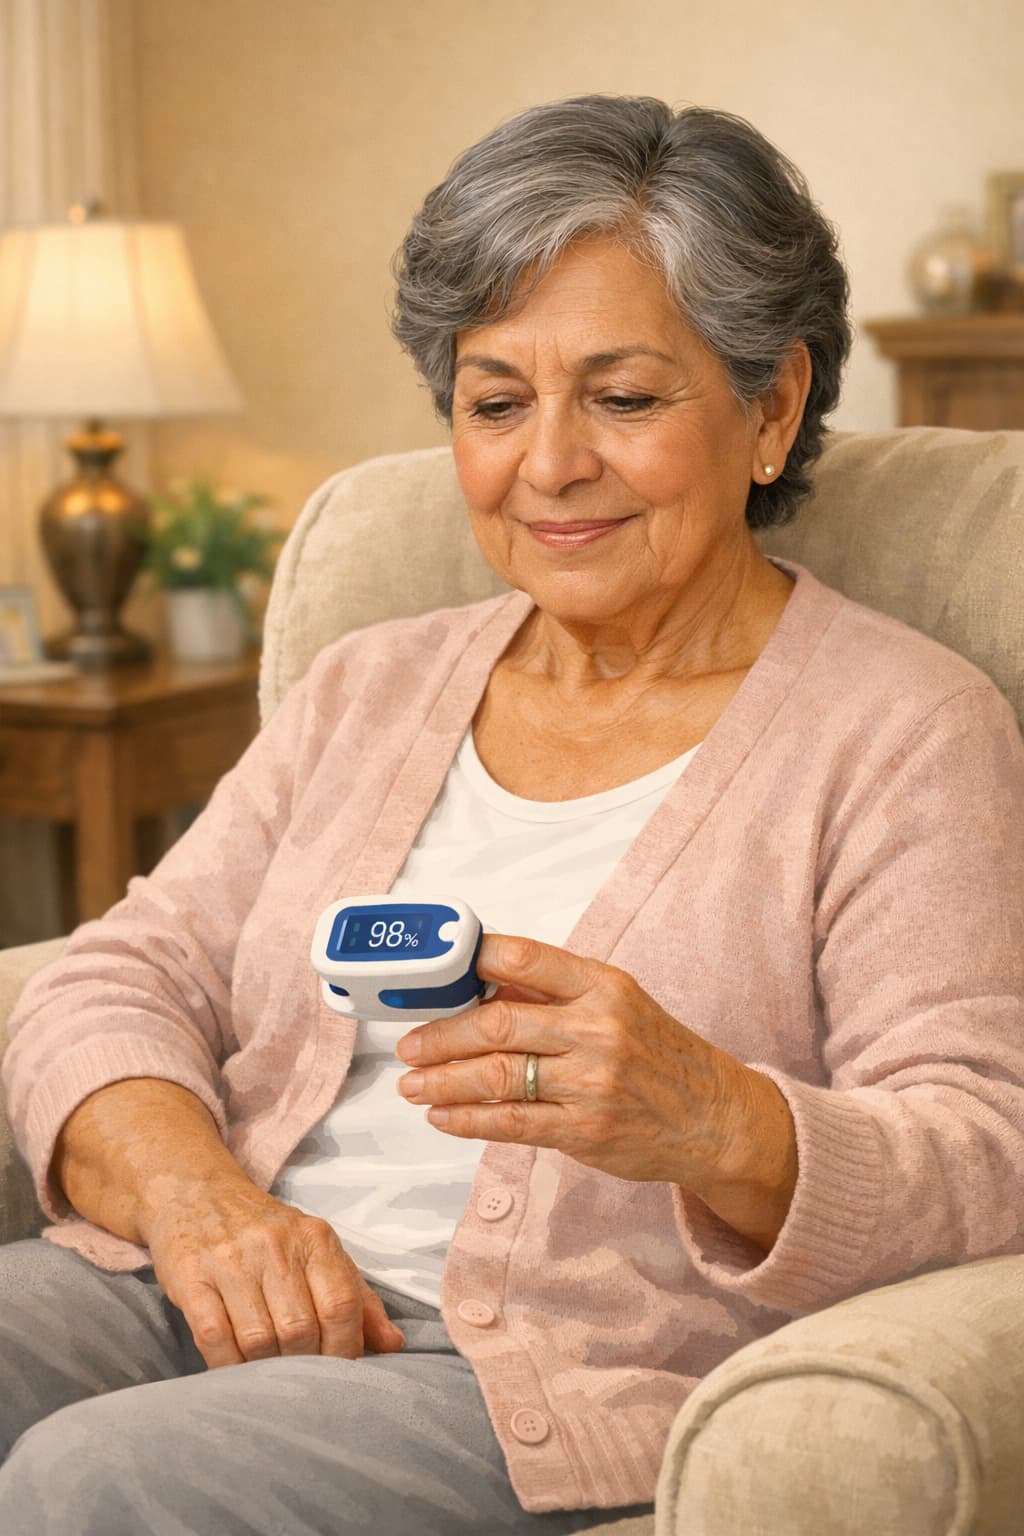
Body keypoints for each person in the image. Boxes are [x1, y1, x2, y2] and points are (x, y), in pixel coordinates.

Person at [3, 93, 1024, 1536]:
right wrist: (201, 1207)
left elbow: (988, 1149)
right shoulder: (374, 683)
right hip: (216, 1281)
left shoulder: (902, 729)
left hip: (529, 1373)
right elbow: (118, 972)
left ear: (773, 408)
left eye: (622, 397)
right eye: (496, 403)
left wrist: (714, 1115)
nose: (547, 464)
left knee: (89, 1483)